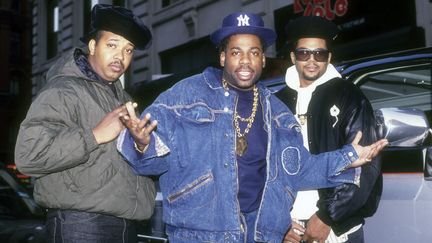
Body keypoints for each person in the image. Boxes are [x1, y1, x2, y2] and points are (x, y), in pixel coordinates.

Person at [117, 12, 387, 243]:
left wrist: (350, 157)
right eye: (236, 52)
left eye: (254, 53)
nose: (245, 61)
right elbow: (147, 164)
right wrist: (142, 143)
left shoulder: (279, 113)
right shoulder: (184, 97)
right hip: (200, 235)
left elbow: (300, 170)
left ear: (263, 60)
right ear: (222, 57)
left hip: (262, 234)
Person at [14, 4, 156, 243]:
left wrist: (142, 146)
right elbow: (28, 155)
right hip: (81, 226)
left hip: (126, 227)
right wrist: (96, 134)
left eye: (128, 50)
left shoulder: (124, 99)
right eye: (112, 45)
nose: (121, 57)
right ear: (92, 45)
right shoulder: (63, 89)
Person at [276, 16, 382, 243]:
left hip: (336, 230)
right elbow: (265, 168)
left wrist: (326, 217)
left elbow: (365, 166)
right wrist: (277, 221)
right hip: (289, 230)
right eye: (304, 53)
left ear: (329, 57)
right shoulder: (276, 103)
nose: (312, 60)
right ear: (293, 57)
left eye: (320, 54)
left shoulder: (349, 96)